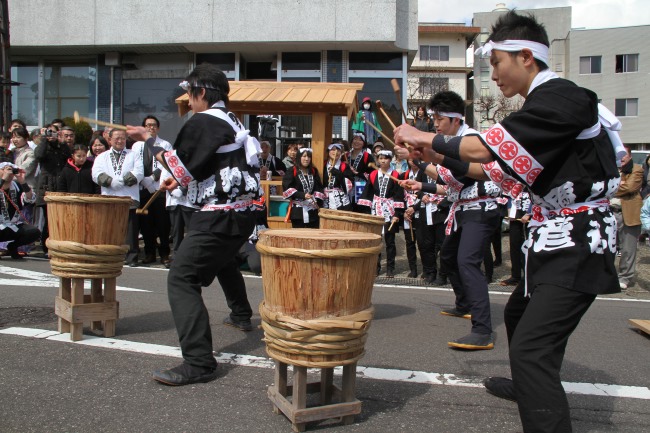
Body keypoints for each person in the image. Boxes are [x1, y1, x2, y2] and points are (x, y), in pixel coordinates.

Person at [394, 11, 621, 432]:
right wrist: (437, 156)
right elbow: (495, 170)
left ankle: (537, 393)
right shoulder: (544, 107)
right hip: (555, 242)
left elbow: (485, 151)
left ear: (526, 58)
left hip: (578, 244)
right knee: (517, 316)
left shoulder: (563, 97)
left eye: (497, 61)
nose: (493, 73)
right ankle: (529, 385)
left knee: (532, 350)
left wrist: (425, 136)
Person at [127, 63, 262, 386]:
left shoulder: (203, 120)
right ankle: (241, 314)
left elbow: (182, 169)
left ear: (201, 92)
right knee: (224, 260)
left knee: (182, 278)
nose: (187, 99)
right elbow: (204, 167)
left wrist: (150, 140)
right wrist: (180, 180)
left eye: (189, 93)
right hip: (240, 214)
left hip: (219, 215)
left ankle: (199, 361)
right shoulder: (229, 119)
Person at [405, 91, 502, 350]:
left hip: (481, 207)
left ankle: (482, 330)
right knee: (448, 256)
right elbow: (449, 184)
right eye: (434, 118)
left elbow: (464, 177)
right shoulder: (454, 143)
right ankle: (465, 305)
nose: (435, 124)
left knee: (467, 261)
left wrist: (425, 159)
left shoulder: (471, 140)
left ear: (455, 119)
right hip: (463, 208)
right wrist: (419, 170)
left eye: (439, 118)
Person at [92, 129, 144, 267]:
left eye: (122, 138)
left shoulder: (133, 155)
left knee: (131, 229)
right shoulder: (102, 156)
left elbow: (139, 172)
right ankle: (111, 255)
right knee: (110, 227)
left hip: (129, 197)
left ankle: (132, 257)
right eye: (116, 138)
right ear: (109, 140)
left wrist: (122, 180)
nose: (120, 141)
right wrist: (110, 181)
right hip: (110, 197)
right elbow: (96, 173)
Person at [133, 115, 173, 267]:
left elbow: (167, 163)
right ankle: (150, 252)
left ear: (158, 127)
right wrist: (143, 179)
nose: (151, 127)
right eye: (148, 125)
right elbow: (135, 164)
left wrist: (153, 177)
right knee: (146, 224)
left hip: (159, 189)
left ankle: (164, 253)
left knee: (163, 223)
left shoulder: (165, 144)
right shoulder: (137, 146)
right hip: (143, 188)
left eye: (154, 125)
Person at [358, 149, 404, 278]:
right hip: (376, 209)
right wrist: (367, 212)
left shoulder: (395, 174)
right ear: (377, 160)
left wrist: (397, 213)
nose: (383, 161)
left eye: (386, 158)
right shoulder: (373, 175)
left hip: (389, 209)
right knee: (376, 240)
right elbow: (367, 193)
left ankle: (390, 268)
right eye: (381, 158)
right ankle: (376, 267)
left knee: (390, 241)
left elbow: (399, 195)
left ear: (390, 160)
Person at [34, 123, 69, 257]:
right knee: (49, 220)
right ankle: (46, 246)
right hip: (46, 187)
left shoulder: (61, 147)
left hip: (60, 186)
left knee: (60, 219)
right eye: (49, 132)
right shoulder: (44, 146)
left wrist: (62, 141)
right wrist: (44, 139)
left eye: (54, 132)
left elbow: (68, 156)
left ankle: (57, 245)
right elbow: (39, 156)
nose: (51, 135)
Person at [613, 146, 643, 291]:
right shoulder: (610, 167)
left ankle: (625, 277)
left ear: (630, 156)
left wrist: (611, 188)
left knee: (627, 248)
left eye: (624, 155)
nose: (621, 157)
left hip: (628, 212)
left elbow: (630, 188)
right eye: (619, 154)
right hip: (609, 212)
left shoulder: (636, 168)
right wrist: (619, 185)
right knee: (608, 247)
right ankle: (608, 275)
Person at [0, 163, 40, 259]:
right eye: (5, 169)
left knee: (34, 232)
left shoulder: (17, 186)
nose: (9, 172)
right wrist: (3, 179)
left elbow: (30, 199)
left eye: (11, 169)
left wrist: (23, 182)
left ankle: (13, 247)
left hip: (12, 224)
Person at [282, 147, 324, 228]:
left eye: (309, 157)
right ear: (299, 157)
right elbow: (287, 188)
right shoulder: (292, 171)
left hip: (312, 210)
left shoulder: (313, 171)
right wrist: (302, 195)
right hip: (298, 211)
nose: (306, 159)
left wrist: (316, 199)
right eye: (304, 156)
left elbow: (319, 187)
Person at [500, 190, 531, 286]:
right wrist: (509, 210)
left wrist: (529, 212)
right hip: (516, 206)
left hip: (531, 207)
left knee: (530, 244)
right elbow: (509, 193)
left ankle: (530, 275)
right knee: (514, 243)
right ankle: (515, 276)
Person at [347, 132, 376, 211]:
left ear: (364, 143)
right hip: (347, 186)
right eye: (355, 139)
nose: (357, 142)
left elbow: (373, 173)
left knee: (360, 209)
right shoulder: (346, 155)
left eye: (360, 140)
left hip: (361, 186)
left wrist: (359, 174)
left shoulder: (367, 156)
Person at [323, 143, 353, 211]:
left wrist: (337, 173)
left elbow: (350, 184)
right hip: (326, 200)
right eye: (333, 150)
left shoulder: (344, 166)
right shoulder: (323, 165)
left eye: (338, 150)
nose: (335, 152)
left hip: (341, 200)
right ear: (328, 152)